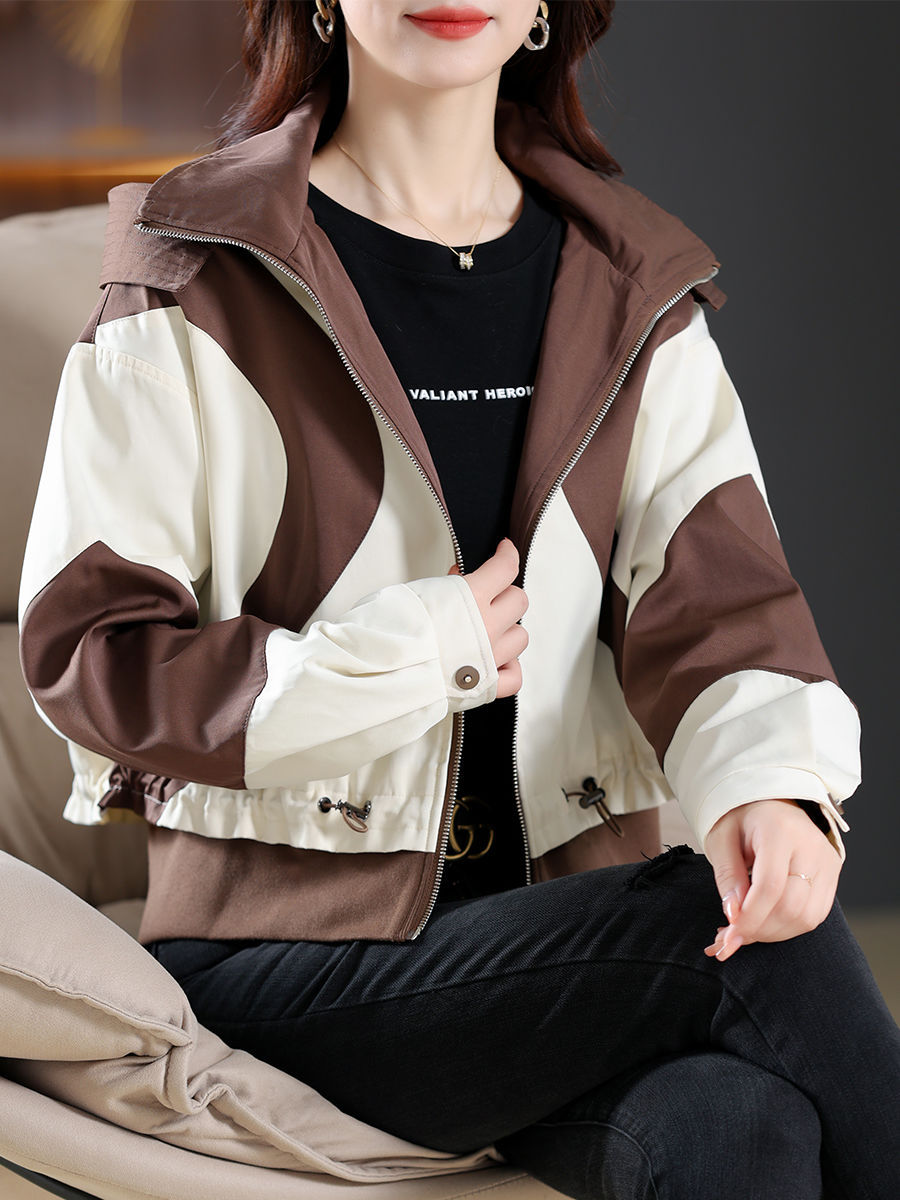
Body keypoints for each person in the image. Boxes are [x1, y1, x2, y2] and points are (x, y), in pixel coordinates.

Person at [17, 2, 900, 1197]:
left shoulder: (631, 288)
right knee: (726, 939)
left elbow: (725, 612)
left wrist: (772, 788)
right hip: (285, 963)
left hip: (555, 947)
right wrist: (414, 656)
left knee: (736, 1123)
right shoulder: (194, 275)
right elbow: (93, 654)